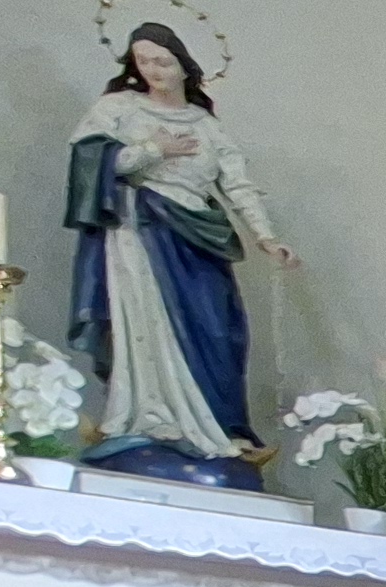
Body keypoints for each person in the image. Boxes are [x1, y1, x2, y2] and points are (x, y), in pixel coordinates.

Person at [65, 22, 302, 488]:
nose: (152, 70)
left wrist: (266, 237)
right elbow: (91, 161)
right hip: (140, 233)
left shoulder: (207, 126)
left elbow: (237, 185)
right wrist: (154, 149)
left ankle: (217, 426)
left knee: (218, 330)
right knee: (147, 328)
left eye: (162, 61)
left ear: (184, 66)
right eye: (143, 61)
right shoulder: (118, 109)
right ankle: (148, 420)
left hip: (198, 235)